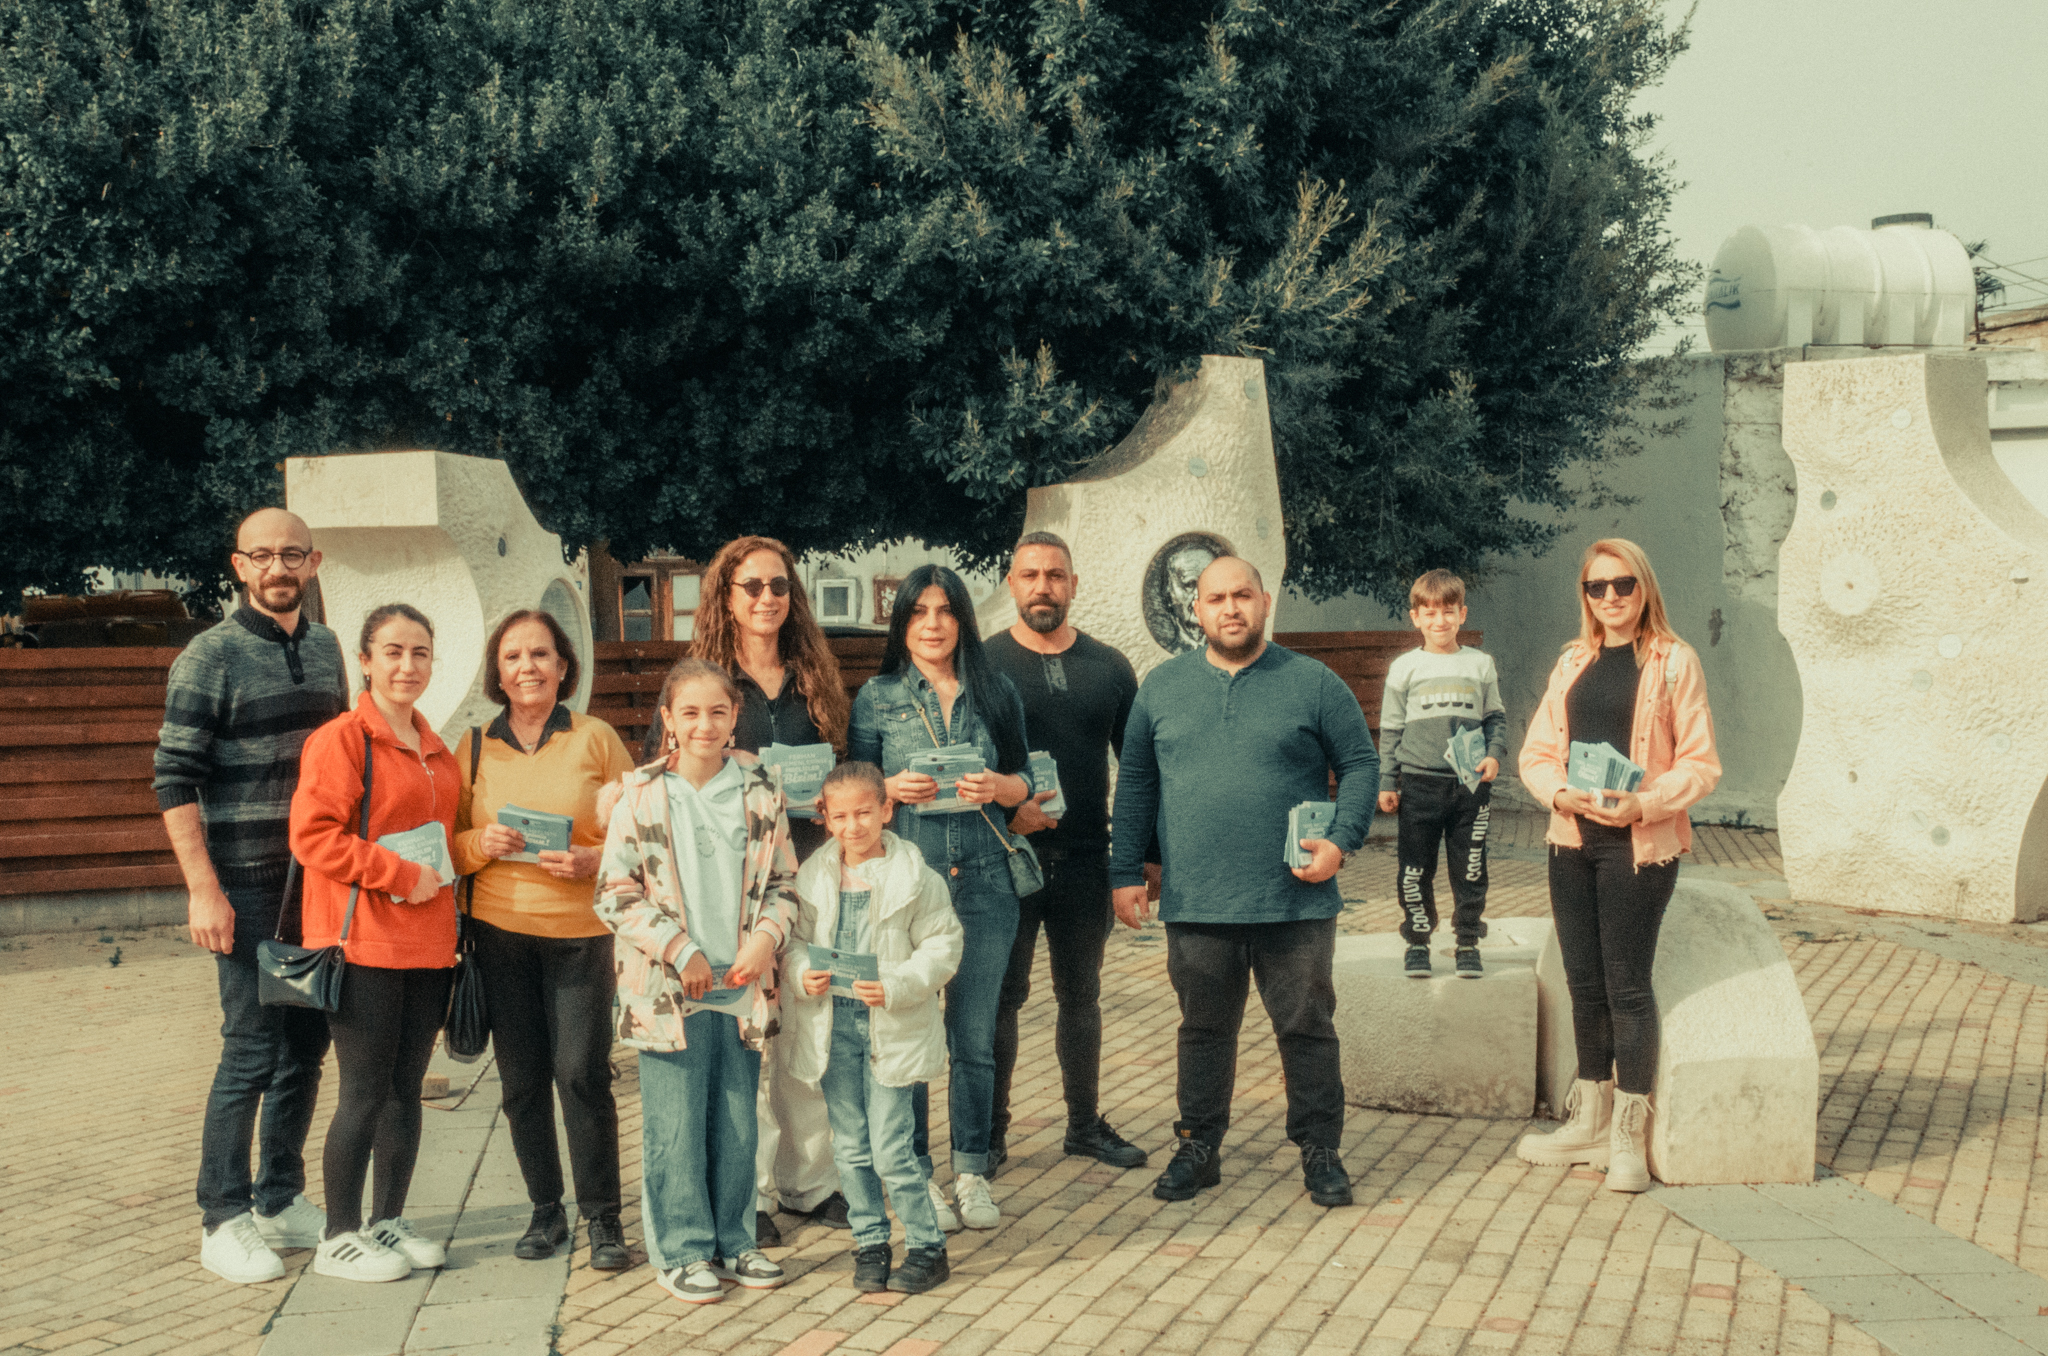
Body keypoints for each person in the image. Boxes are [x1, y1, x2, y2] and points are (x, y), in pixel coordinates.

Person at [1110, 556, 1378, 1209]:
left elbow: (1361, 764)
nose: (1230, 608)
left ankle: (1321, 1150)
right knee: (1203, 1030)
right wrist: (1124, 871)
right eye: (1216, 598)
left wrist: (1340, 842)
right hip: (1198, 899)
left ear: (1264, 602)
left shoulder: (1312, 682)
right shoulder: (1162, 688)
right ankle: (1198, 1147)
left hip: (1294, 898)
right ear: (1196, 611)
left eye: (1242, 596)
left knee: (1307, 1027)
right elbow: (1137, 784)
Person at [156, 509, 348, 1284]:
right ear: (239, 566)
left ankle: (279, 1198)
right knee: (250, 1051)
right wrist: (204, 890)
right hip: (246, 884)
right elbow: (174, 780)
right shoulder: (210, 656)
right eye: (262, 555)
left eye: (292, 554)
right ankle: (223, 1217)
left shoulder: (328, 647)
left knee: (306, 1046)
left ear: (313, 562)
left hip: (318, 884)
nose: (278, 568)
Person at [1515, 540, 1721, 1192]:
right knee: (1584, 985)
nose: (1610, 597)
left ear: (1644, 587)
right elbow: (1536, 753)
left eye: (1623, 584)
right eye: (1596, 587)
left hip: (1639, 847)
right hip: (1571, 841)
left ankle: (1628, 1137)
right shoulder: (1573, 660)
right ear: (1585, 595)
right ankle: (1590, 1122)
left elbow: (1701, 763)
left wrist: (1646, 802)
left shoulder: (1674, 662)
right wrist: (1559, 794)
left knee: (1627, 988)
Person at [597, 659, 798, 1304]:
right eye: (689, 712)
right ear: (668, 720)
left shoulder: (761, 792)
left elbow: (784, 883)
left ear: (735, 717)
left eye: (717, 712)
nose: (704, 725)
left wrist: (765, 940)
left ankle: (735, 1240)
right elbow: (615, 892)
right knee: (677, 1125)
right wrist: (680, 950)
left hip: (740, 986)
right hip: (669, 991)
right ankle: (681, 1251)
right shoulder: (641, 795)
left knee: (738, 1120)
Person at [847, 564, 1033, 1233]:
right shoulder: (877, 696)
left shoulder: (996, 689)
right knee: (912, 1037)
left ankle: (973, 1172)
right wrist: (890, 788)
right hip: (910, 886)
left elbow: (1026, 775)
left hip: (985, 882)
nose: (933, 623)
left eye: (945, 610)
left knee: (974, 1038)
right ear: (902, 623)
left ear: (962, 620)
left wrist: (999, 788)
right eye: (919, 611)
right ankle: (920, 1177)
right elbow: (855, 788)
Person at [451, 610, 635, 1270]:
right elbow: (448, 846)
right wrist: (481, 841)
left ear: (563, 666)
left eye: (540, 654)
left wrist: (592, 859)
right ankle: (545, 1210)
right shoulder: (473, 747)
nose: (526, 667)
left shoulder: (596, 738)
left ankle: (604, 1218)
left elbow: (641, 833)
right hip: (499, 936)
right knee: (522, 1081)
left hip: (581, 936)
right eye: (513, 656)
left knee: (581, 1074)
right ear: (497, 673)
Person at [689, 535, 852, 1246]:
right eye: (751, 586)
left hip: (811, 874)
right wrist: (734, 762)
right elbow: (677, 772)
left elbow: (847, 769)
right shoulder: (709, 682)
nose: (766, 598)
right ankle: (747, 1192)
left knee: (806, 1036)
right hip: (736, 885)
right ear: (726, 597)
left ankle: (809, 1182)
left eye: (779, 586)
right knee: (748, 1040)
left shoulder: (814, 678)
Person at [290, 604, 459, 1282]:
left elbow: (445, 842)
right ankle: (338, 1235)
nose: (407, 665)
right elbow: (313, 837)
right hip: (364, 944)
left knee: (405, 1091)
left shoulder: (435, 746)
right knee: (362, 1093)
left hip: (429, 947)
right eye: (392, 651)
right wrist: (399, 875)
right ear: (364, 661)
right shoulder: (342, 739)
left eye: (420, 652)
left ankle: (387, 1220)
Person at [984, 532, 1146, 1171]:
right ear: (1011, 583)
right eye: (1030, 575)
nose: (1042, 587)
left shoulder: (1109, 667)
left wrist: (1142, 857)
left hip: (1085, 860)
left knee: (1082, 997)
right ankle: (990, 1134)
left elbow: (1138, 771)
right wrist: (1006, 810)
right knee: (1003, 999)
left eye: (1055, 575)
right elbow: (964, 761)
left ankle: (1083, 1126)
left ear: (1074, 584)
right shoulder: (984, 664)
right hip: (1007, 859)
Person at [784, 762, 963, 1294]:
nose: (852, 826)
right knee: (850, 1146)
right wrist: (801, 973)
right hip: (833, 1023)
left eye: (864, 812)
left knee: (890, 1147)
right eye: (839, 816)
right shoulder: (813, 876)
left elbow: (942, 946)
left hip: (892, 1024)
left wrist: (897, 984)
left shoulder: (917, 877)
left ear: (887, 810)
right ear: (824, 818)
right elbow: (795, 941)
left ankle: (927, 1246)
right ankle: (870, 1241)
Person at [1376, 569, 1508, 979]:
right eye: (1430, 613)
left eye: (1448, 612)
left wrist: (1494, 755)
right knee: (1415, 868)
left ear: (1462, 614)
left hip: (1470, 785)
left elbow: (1495, 718)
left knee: (1470, 866)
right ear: (1415, 617)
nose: (1440, 621)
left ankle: (1467, 941)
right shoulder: (1405, 668)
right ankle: (1418, 941)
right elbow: (1391, 729)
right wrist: (1387, 780)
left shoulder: (1480, 664)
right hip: (1419, 784)